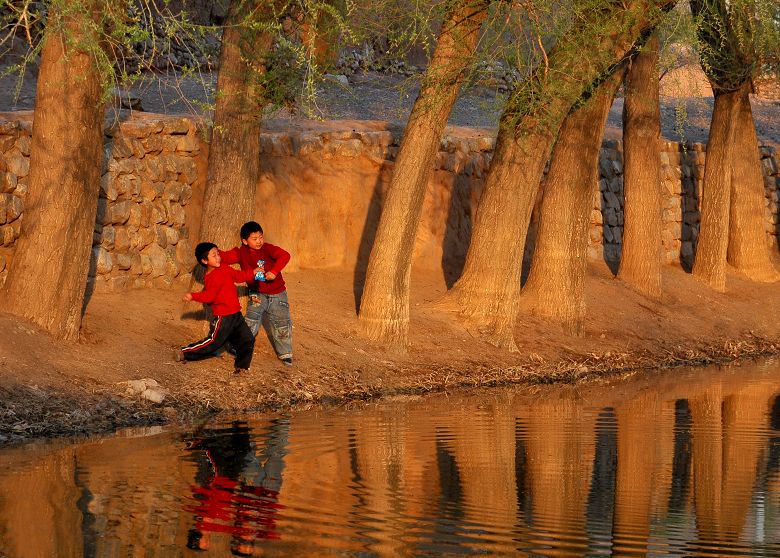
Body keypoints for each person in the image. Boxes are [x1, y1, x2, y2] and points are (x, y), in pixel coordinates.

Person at [176, 242, 260, 374]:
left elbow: (238, 276)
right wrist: (193, 296)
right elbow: (209, 296)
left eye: (218, 254)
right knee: (213, 343)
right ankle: (185, 353)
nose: (218, 258)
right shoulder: (211, 278)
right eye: (214, 256)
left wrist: (253, 272)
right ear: (204, 261)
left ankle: (242, 367)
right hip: (223, 317)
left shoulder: (225, 268)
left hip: (236, 315)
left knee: (248, 338)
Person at [220, 221, 294, 366]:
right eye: (254, 239)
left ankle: (285, 354)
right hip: (256, 293)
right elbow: (226, 257)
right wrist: (210, 252)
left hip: (277, 293)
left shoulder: (268, 249)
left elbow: (285, 255)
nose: (259, 241)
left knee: (281, 323)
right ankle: (238, 347)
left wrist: (274, 271)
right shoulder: (241, 252)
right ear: (244, 241)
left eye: (261, 237)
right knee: (251, 321)